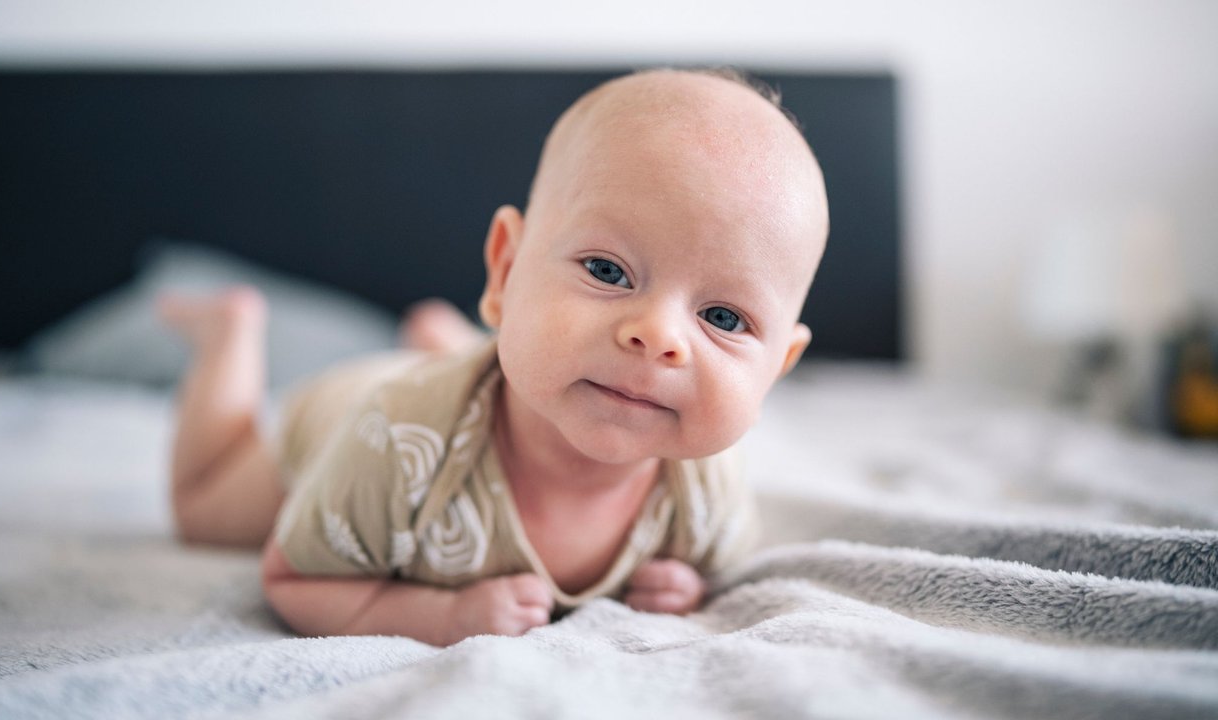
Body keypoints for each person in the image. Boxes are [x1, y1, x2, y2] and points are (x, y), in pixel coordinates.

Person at [159, 67, 829, 647]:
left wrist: (680, 584)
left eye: (722, 318)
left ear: (776, 366)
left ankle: (445, 338)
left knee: (536, 359)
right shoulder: (395, 446)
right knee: (203, 515)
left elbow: (705, 565)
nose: (658, 336)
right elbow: (291, 577)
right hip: (347, 416)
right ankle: (230, 333)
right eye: (607, 269)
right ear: (506, 270)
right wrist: (440, 616)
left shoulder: (706, 492)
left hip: (483, 380)